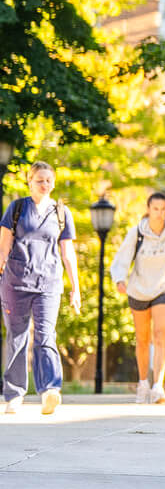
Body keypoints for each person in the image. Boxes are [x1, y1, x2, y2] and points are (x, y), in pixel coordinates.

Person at [0, 162, 83, 415]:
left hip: (49, 282)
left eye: (48, 180)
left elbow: (68, 253)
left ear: (54, 183)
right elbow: (3, 247)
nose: (44, 184)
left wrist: (75, 288)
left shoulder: (61, 212)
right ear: (30, 182)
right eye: (39, 180)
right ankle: (14, 394)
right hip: (16, 282)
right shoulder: (16, 209)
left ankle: (49, 391)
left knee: (46, 336)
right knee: (17, 337)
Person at [110, 191, 165, 405]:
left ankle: (158, 387)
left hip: (164, 289)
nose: (159, 213)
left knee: (160, 336)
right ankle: (143, 384)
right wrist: (120, 279)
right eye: (155, 209)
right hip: (139, 289)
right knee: (142, 340)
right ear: (148, 209)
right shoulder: (136, 233)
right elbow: (122, 258)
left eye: (162, 209)